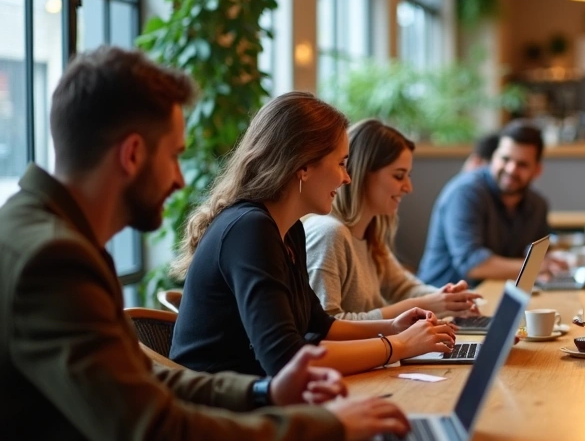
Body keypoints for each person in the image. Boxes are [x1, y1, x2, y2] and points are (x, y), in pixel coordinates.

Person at [0, 48, 406, 441]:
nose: (178, 178)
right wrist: (328, 426)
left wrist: (265, 392)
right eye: (174, 156)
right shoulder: (54, 259)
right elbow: (157, 436)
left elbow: (145, 381)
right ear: (132, 154)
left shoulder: (43, 231)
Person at [170, 92, 457, 377]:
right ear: (304, 166)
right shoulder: (249, 229)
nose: (346, 178)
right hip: (220, 409)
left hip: (256, 398)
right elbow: (284, 359)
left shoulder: (288, 229)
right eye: (342, 163)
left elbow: (318, 324)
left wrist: (392, 326)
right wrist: (399, 345)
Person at [305, 119, 483, 321]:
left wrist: (449, 300)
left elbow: (402, 288)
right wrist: (421, 305)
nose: (408, 187)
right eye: (399, 176)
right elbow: (326, 326)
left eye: (408, 176)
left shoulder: (370, 230)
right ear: (361, 174)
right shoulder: (329, 233)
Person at [418, 121, 564, 287]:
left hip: (494, 296)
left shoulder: (537, 204)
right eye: (505, 159)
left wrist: (552, 261)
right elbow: (473, 264)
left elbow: (538, 254)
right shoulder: (465, 193)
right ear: (493, 157)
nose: (511, 169)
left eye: (522, 164)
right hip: (441, 303)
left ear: (537, 170)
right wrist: (537, 267)